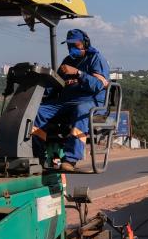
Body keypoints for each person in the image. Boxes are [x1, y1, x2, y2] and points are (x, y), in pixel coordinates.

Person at [31, 29, 109, 171]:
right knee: (37, 112)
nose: (72, 48)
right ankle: (38, 156)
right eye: (69, 45)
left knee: (81, 110)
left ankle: (70, 159)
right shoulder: (67, 61)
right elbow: (58, 84)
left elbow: (98, 85)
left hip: (89, 101)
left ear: (85, 43)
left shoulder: (96, 59)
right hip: (65, 101)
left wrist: (78, 73)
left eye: (76, 45)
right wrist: (42, 89)